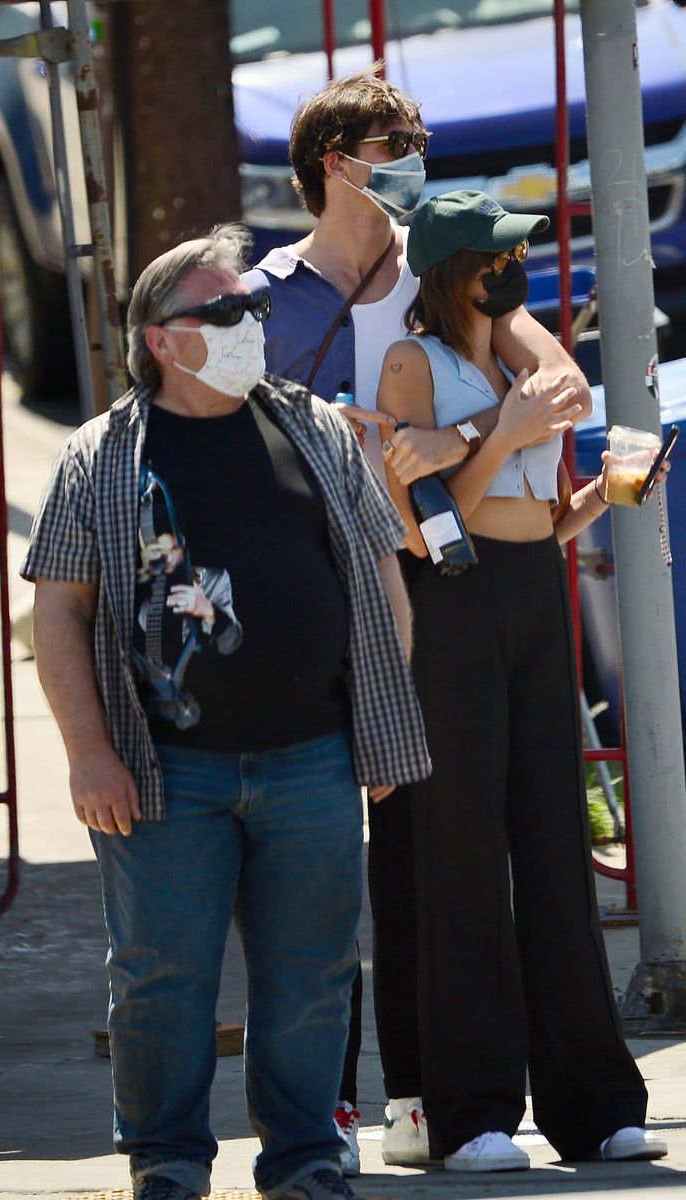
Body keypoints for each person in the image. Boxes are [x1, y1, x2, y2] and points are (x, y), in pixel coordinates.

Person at [20, 226, 431, 1200]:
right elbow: (60, 613)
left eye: (257, 307)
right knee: (163, 983)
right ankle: (165, 1159)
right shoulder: (101, 458)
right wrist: (88, 754)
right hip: (164, 770)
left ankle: (302, 1160)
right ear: (162, 339)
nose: (255, 324)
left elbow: (381, 579)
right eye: (229, 311)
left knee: (313, 976)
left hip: (312, 759)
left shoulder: (317, 431)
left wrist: (377, 720)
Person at [242, 65, 592, 1173]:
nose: (414, 157)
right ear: (335, 163)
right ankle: (319, 1113)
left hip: (422, 575)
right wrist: (361, 434)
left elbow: (560, 384)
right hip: (308, 581)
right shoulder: (266, 289)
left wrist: (448, 437)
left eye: (415, 139)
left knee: (421, 833)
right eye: (394, 142)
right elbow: (236, 429)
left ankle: (420, 1098)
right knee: (309, 852)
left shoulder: (444, 257)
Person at [377, 188, 669, 1173]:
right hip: (453, 604)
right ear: (454, 267)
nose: (518, 270)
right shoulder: (412, 362)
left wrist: (604, 493)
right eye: (500, 257)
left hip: (534, 592)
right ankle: (472, 1114)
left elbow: (562, 433)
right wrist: (492, 433)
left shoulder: (516, 345)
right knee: (461, 857)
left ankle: (593, 1101)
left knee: (558, 844)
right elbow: (424, 522)